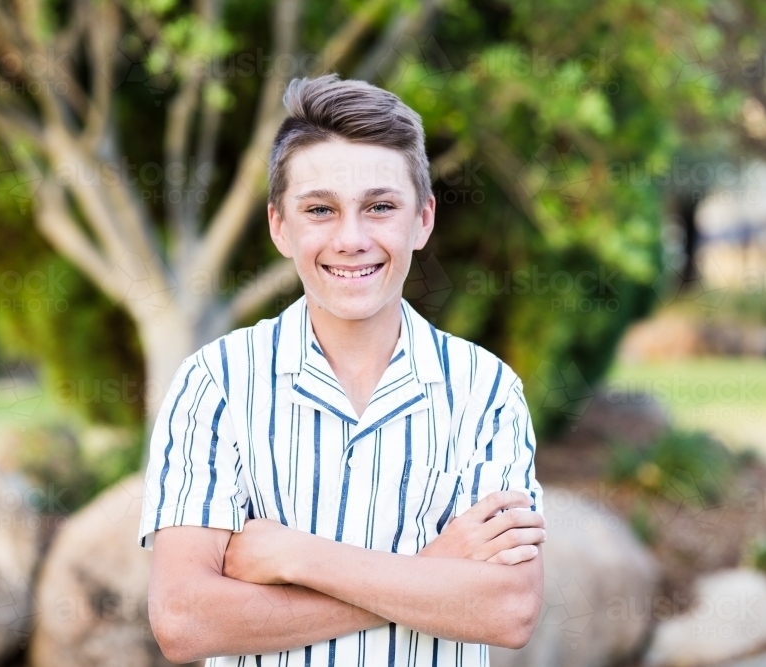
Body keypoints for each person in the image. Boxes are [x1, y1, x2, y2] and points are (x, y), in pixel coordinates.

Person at [138, 73, 546, 667]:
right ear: (281, 225)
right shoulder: (216, 383)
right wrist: (430, 574)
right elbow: (183, 620)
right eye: (321, 210)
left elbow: (508, 610)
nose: (351, 238)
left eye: (380, 207)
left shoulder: (486, 392)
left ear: (423, 219)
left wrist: (294, 557)